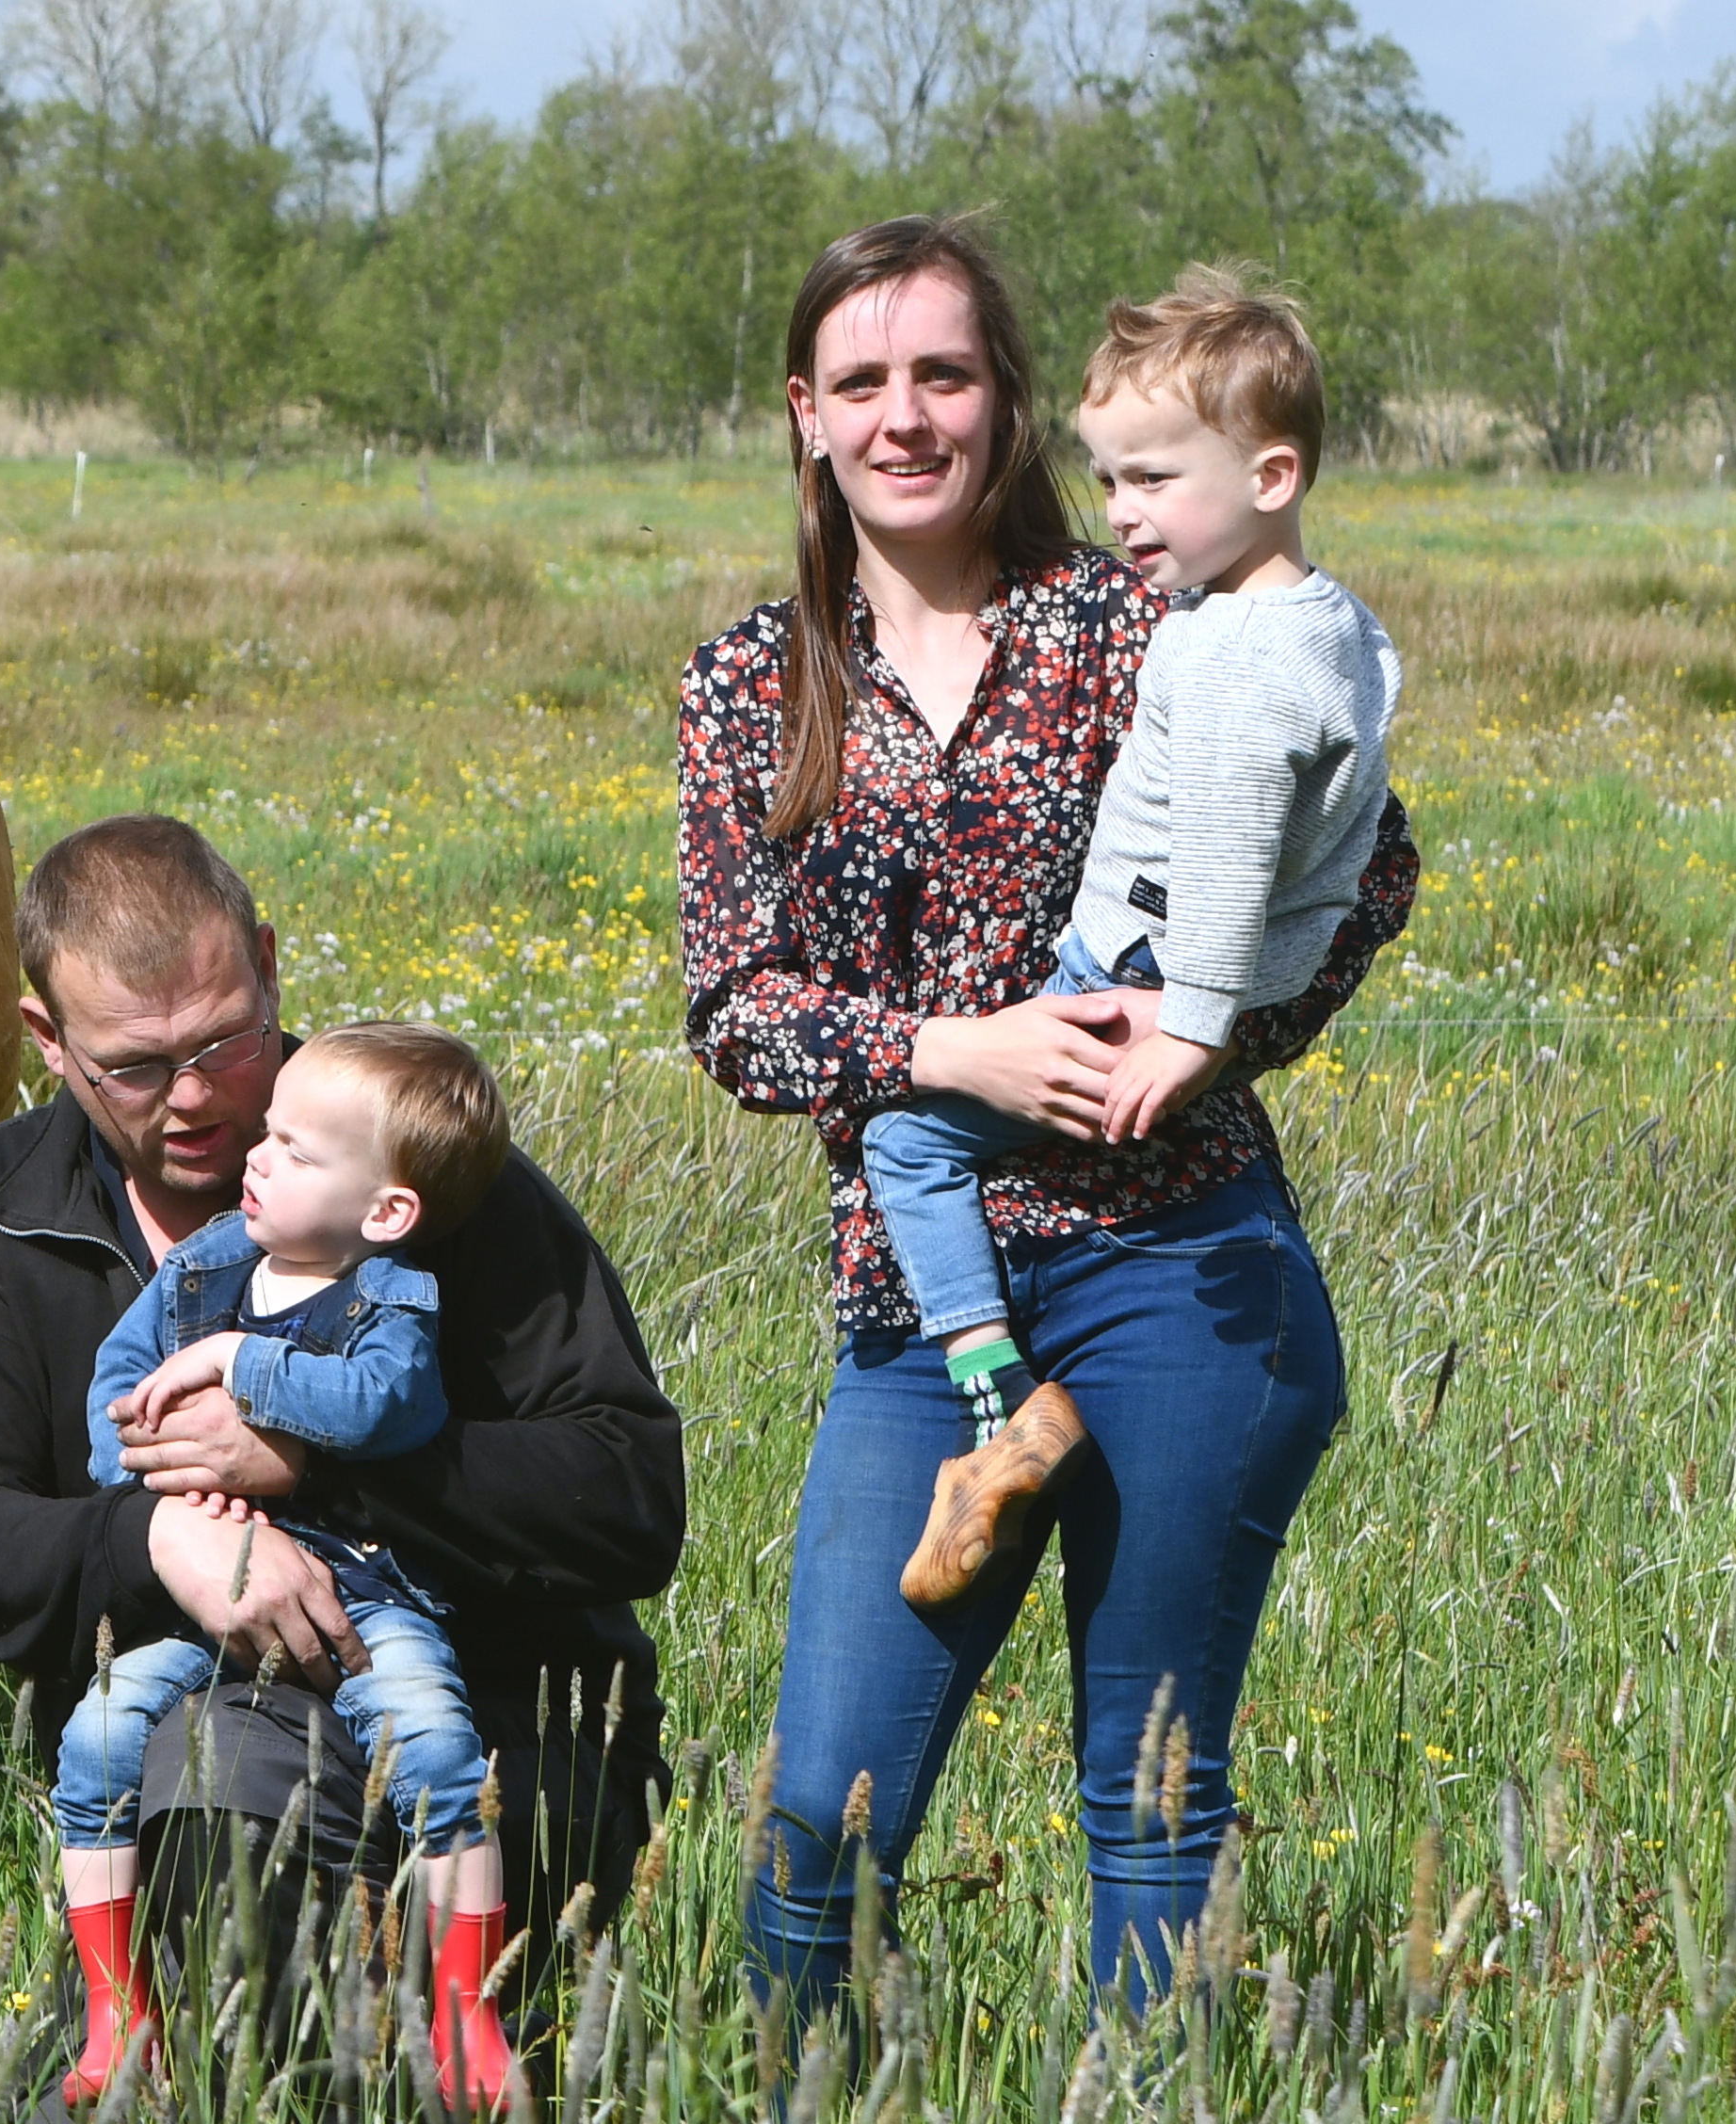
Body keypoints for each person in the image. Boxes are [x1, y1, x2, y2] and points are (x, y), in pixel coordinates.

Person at [675, 215, 1418, 2016]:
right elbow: (731, 1009)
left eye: (944, 373)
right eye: (864, 380)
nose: (905, 415)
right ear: (807, 412)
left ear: (1003, 402)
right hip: (922, 1312)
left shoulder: (1141, 614)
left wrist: (1199, 1041)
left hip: (1179, 1272)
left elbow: (1368, 867)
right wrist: (960, 1052)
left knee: (1151, 1803)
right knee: (816, 1834)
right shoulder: (754, 681)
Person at [0, 813, 682, 2105]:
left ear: (271, 967)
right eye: (133, 1067)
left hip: (494, 1714)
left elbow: (630, 1497)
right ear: (45, 1043)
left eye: (224, 1042)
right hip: (180, 1746)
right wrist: (158, 1538)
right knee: (211, 1785)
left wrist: (315, 1464)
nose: (192, 1098)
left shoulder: (421, 1168)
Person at [857, 266, 1403, 1612]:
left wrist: (1202, 1027)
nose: (1123, 516)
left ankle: (992, 1398)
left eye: (1153, 481)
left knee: (905, 1138)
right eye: (1109, 482)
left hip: (1134, 985)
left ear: (1271, 474)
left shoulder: (1220, 658)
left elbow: (1228, 856)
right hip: (1177, 986)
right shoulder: (1322, 622)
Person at [57, 1022, 519, 2111]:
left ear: (385, 1211)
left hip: (366, 1589)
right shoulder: (208, 1263)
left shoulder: (392, 1299)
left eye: (297, 1151)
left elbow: (376, 1405)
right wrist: (151, 1473)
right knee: (97, 1742)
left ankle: (468, 2021)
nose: (257, 1158)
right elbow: (117, 1380)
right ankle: (118, 2018)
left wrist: (231, 1361)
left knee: (441, 1757)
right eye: (267, 1136)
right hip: (202, 1591)